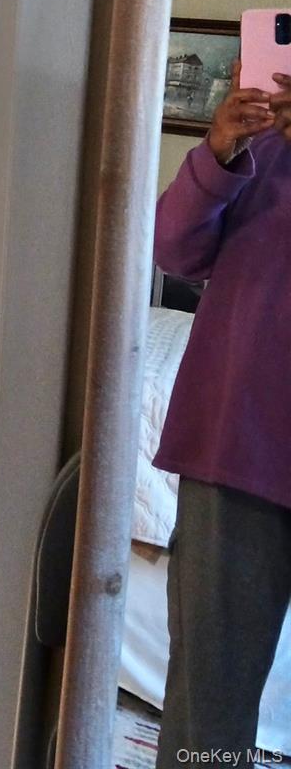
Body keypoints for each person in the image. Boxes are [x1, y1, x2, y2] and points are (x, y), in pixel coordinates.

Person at [153, 63, 291, 767]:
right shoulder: (264, 138)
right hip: (237, 448)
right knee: (208, 712)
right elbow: (175, 252)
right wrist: (218, 151)